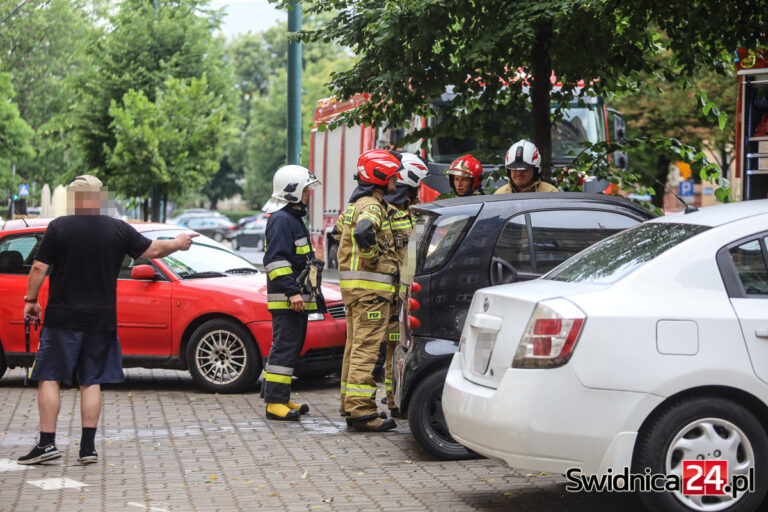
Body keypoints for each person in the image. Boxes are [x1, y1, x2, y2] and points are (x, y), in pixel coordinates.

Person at [18, 175, 196, 465]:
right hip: (101, 319)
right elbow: (152, 250)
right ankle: (88, 448)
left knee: (49, 376)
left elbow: (39, 266)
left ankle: (47, 443)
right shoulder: (117, 229)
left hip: (63, 317)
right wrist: (177, 242)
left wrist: (30, 300)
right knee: (92, 380)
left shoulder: (59, 227)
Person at [337, 149, 402, 432]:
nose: (396, 183)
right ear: (380, 177)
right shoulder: (372, 206)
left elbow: (339, 233)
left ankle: (349, 404)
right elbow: (364, 232)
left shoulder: (354, 204)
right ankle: (362, 412)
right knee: (366, 349)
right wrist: (374, 256)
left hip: (355, 292)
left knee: (354, 348)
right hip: (371, 293)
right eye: (392, 177)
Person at [260, 165, 324, 421]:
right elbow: (274, 260)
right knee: (284, 349)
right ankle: (275, 403)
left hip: (295, 298)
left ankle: (281, 397)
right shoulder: (281, 220)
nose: (309, 194)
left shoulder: (291, 218)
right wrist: (292, 292)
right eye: (306, 190)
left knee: (289, 349)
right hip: (289, 299)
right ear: (292, 191)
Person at [380, 152, 427, 416]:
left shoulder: (414, 210)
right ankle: (391, 400)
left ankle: (396, 397)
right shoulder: (388, 211)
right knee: (392, 347)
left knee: (401, 347)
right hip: (393, 293)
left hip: (409, 291)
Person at [494, 139, 559, 194]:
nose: (519, 173)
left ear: (535, 170)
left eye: (525, 169)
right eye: (514, 169)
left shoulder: (550, 193)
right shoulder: (500, 194)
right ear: (508, 170)